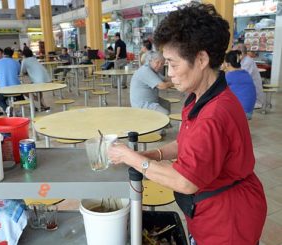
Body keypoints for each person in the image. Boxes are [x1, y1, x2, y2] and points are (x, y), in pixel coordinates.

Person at [108, 3, 266, 245]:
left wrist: (132, 159)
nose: (169, 73)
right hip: (207, 210)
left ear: (201, 59)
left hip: (228, 220)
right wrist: (151, 155)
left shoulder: (215, 112)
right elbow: (184, 143)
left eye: (173, 64)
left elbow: (185, 181)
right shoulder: (197, 97)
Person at [224, 50, 256, 120]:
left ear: (227, 64)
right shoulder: (246, 73)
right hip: (249, 111)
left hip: (241, 112)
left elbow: (217, 89)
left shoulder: (230, 76)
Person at [235, 43, 264, 109]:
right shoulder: (241, 61)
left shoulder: (248, 62)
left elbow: (239, 79)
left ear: (240, 53)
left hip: (253, 99)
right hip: (245, 95)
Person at [0, 47, 21, 113]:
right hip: (17, 88)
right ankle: (20, 110)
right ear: (12, 54)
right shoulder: (16, 62)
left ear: (3, 54)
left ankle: (7, 109)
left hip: (4, 88)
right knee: (20, 97)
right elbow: (18, 73)